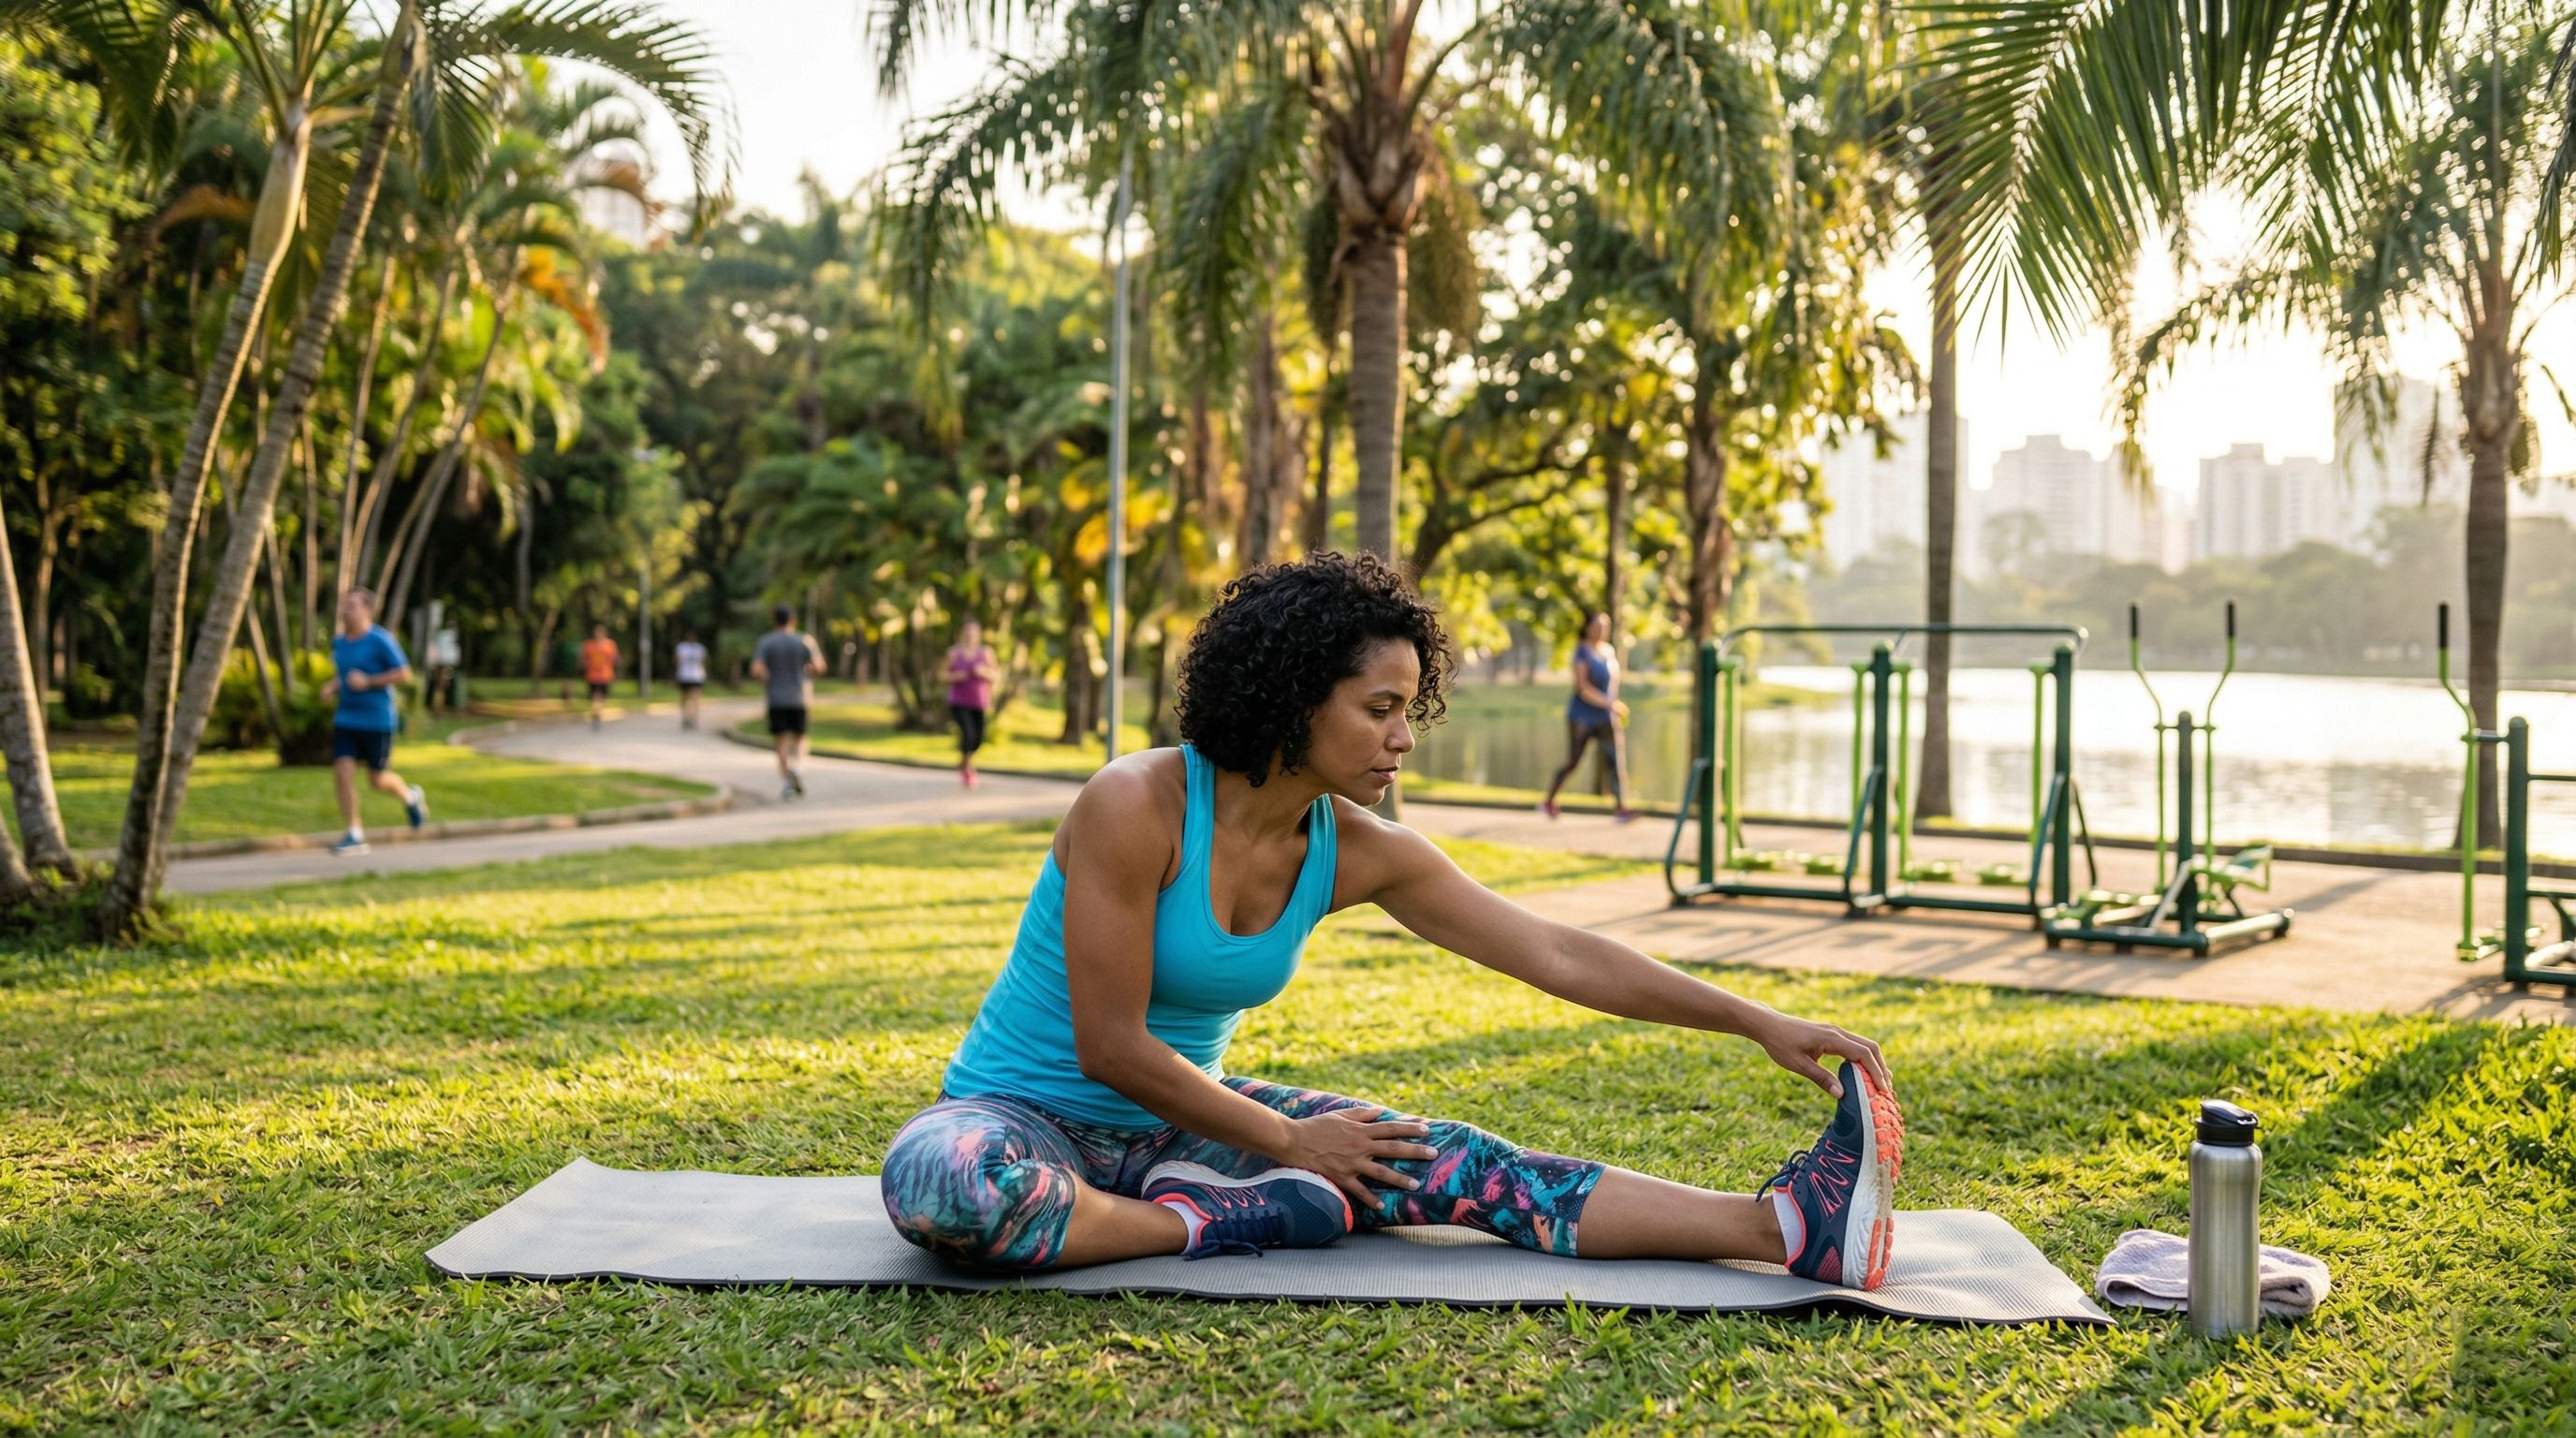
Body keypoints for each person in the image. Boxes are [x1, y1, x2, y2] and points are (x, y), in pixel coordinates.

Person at [881, 552, 1902, 1288]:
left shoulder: (1359, 847)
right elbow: (1110, 1046)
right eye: (1377, 708)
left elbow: (1555, 951)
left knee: (1456, 1161)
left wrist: (1752, 1019)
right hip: (1020, 1118)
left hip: (1188, 1122)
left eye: (1409, 709)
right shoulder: (1134, 804)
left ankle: (1784, 1228)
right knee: (950, 1189)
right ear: (1292, 697)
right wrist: (1288, 1143)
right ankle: (1214, 1220)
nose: (1401, 739)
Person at [320, 588, 427, 857]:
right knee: (342, 772)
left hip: (377, 721)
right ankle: (354, 833)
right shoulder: (339, 643)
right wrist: (333, 686)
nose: (346, 609)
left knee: (376, 780)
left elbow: (404, 674)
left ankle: (410, 796)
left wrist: (369, 682)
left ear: (367, 611)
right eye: (345, 604)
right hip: (346, 719)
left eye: (352, 606)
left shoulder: (381, 640)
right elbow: (346, 675)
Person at [1541, 610, 1633, 822]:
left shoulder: (1608, 651)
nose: (1602, 630)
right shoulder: (1581, 653)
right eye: (1598, 626)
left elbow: (1612, 683)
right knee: (1574, 761)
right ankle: (1549, 801)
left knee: (1614, 760)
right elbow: (1583, 687)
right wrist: (1610, 703)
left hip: (1606, 717)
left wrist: (1613, 707)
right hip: (1582, 716)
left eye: (1605, 626)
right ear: (1588, 628)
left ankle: (1621, 808)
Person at [750, 605, 823, 800]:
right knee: (800, 738)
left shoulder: (766, 642)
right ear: (793, 620)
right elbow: (819, 666)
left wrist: (767, 678)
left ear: (774, 621)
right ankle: (797, 768)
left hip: (776, 699)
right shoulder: (804, 640)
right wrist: (808, 673)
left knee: (780, 741)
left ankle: (786, 784)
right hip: (800, 697)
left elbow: (756, 670)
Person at [944, 620, 1000, 788]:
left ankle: (964, 761)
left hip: (979, 701)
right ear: (963, 634)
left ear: (978, 635)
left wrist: (984, 672)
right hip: (959, 701)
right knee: (968, 733)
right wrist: (956, 676)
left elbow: (996, 675)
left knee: (978, 739)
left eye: (973, 633)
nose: (970, 636)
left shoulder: (987, 653)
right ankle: (968, 769)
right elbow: (942, 674)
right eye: (967, 633)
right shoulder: (954, 653)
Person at [580, 624, 620, 729]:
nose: (598, 635)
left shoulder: (610, 645)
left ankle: (597, 713)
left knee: (601, 696)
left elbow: (614, 658)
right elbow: (584, 658)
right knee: (594, 696)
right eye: (596, 633)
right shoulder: (589, 645)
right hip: (592, 675)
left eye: (600, 633)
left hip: (605, 675)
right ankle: (596, 714)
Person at [674, 632, 710, 731]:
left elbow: (703, 662)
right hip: (684, 676)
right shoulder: (681, 647)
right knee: (684, 698)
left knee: (695, 698)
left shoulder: (700, 648)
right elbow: (677, 661)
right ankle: (685, 717)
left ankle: (694, 718)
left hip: (696, 676)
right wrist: (677, 675)